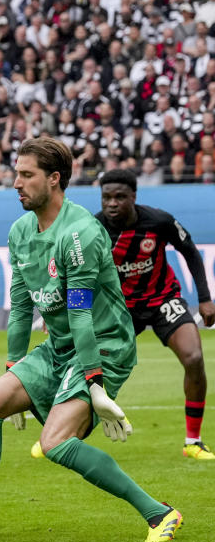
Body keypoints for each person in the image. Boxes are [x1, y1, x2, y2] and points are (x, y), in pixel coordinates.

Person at [0, 138, 182, 542]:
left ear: (54, 179)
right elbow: (18, 306)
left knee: (54, 443)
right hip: (59, 346)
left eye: (26, 175)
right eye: (16, 173)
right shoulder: (20, 231)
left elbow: (81, 313)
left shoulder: (81, 232)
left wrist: (96, 384)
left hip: (102, 345)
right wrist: (14, 366)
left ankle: (160, 513)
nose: (16, 183)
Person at [96, 168, 215, 460]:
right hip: (121, 308)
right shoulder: (93, 228)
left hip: (162, 300)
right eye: (107, 197)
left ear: (133, 197)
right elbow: (74, 270)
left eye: (120, 197)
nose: (112, 203)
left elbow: (189, 250)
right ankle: (60, 434)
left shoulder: (158, 221)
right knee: (89, 370)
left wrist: (204, 298)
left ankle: (193, 442)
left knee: (194, 358)